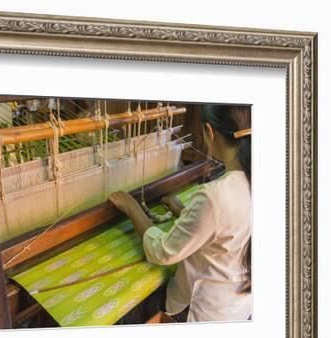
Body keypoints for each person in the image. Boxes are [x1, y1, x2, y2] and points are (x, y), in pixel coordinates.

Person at [108, 104, 252, 322]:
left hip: (205, 312)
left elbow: (163, 251)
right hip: (239, 307)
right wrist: (184, 212)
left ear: (209, 132)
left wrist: (131, 206)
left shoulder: (215, 196)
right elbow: (229, 230)